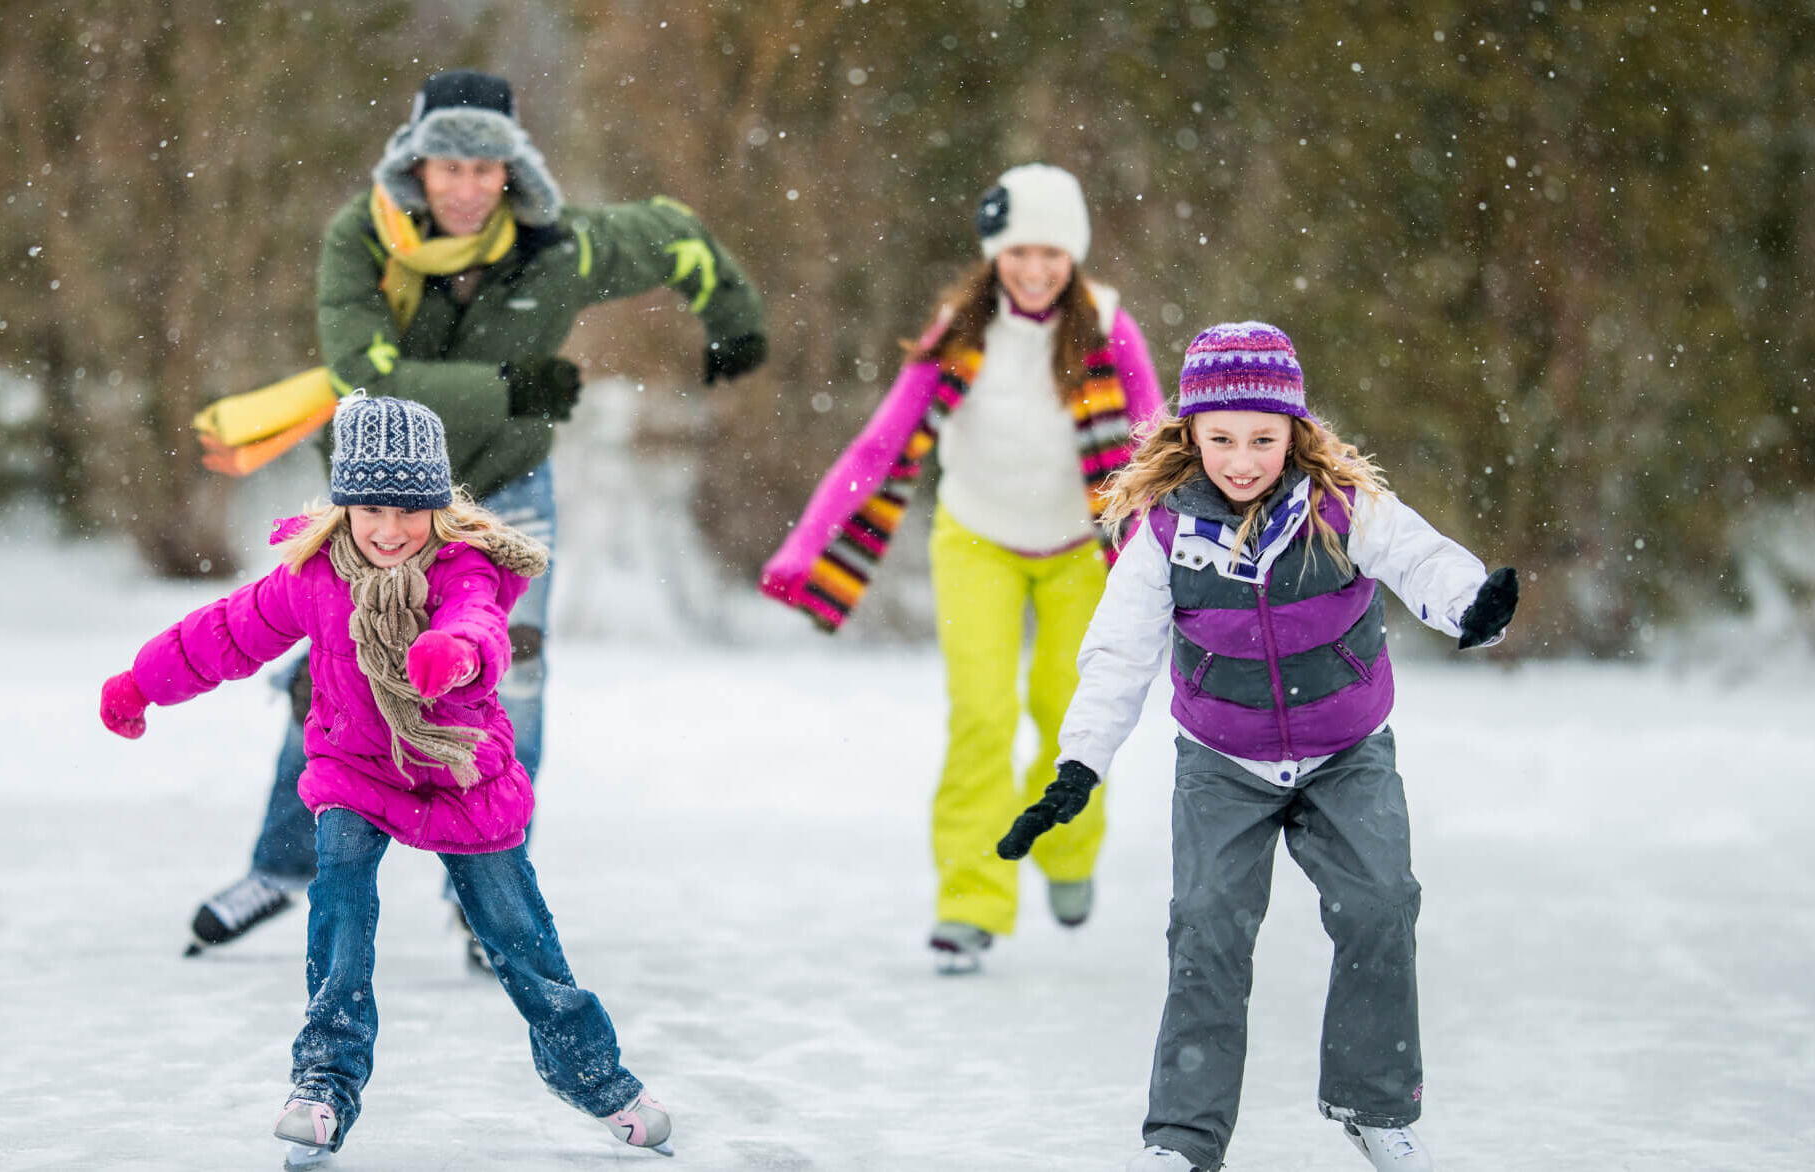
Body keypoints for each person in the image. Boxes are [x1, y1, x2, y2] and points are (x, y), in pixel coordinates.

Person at [187, 68, 768, 963]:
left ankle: (490, 903)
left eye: (483, 168)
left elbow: (676, 235)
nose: (463, 186)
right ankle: (280, 867)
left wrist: (731, 315)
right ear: (416, 167)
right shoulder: (363, 239)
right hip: (372, 507)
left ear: (511, 172)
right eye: (445, 166)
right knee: (328, 678)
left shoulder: (559, 248)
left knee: (512, 680)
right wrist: (509, 386)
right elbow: (365, 379)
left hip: (505, 498)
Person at [994, 322, 1520, 1172]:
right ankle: (1183, 1140)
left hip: (1346, 753)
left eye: (1264, 439)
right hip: (1223, 766)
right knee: (1206, 929)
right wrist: (1080, 763)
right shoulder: (1164, 534)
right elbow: (1118, 652)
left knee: (1382, 904)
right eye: (1223, 438)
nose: (1242, 459)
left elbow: (1422, 561)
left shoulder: (1345, 507)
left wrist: (1470, 607)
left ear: (1296, 433)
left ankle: (1373, 1104)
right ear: (1191, 432)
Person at [99, 396, 676, 1166]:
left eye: (412, 507)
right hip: (356, 771)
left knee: (516, 934)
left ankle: (598, 1079)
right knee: (339, 902)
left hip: (461, 774)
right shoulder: (316, 578)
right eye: (371, 505)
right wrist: (142, 684)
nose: (391, 527)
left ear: (439, 506)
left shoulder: (464, 568)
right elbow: (229, 632)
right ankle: (323, 1084)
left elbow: (482, 624)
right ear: (344, 505)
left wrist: (458, 655)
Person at [758, 164, 1162, 974]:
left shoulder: (1108, 329)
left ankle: (1070, 848)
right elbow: (878, 446)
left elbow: (1158, 444)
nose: (1036, 270)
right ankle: (969, 904)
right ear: (995, 256)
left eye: (1052, 253)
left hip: (1084, 547)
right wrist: (804, 547)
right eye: (1019, 253)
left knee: (1066, 711)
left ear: (1074, 255)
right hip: (976, 542)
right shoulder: (959, 331)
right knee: (981, 717)